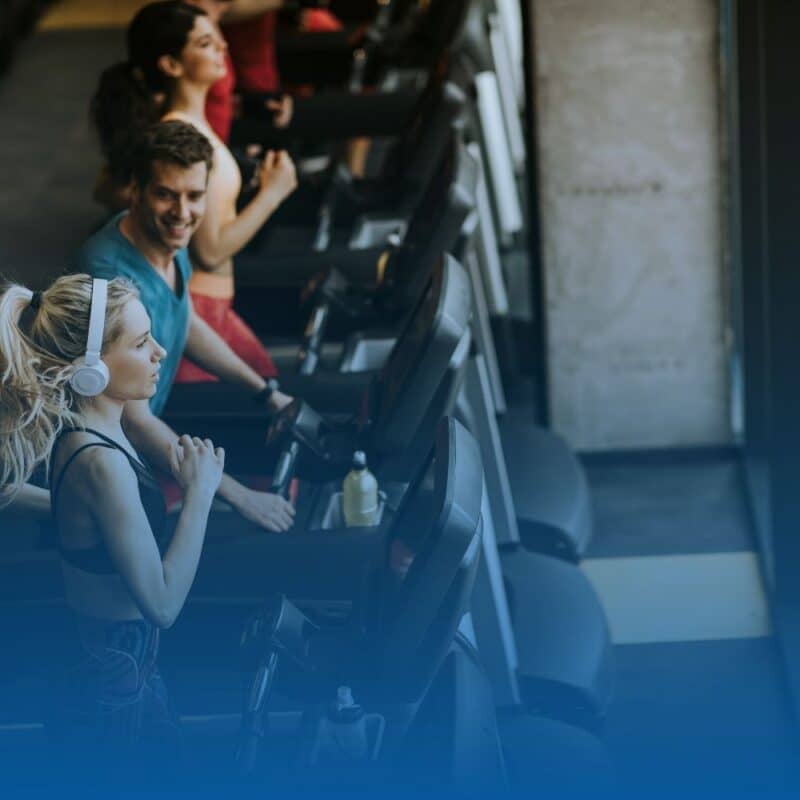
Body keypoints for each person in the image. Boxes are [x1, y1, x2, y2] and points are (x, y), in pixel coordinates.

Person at [0, 273, 223, 770]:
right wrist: (200, 494)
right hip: (115, 705)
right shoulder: (101, 462)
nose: (161, 353)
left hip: (117, 679)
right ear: (91, 370)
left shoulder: (93, 432)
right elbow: (163, 603)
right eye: (142, 343)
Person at [73, 120, 296, 532]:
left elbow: (184, 320)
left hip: (151, 424)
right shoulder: (110, 279)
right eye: (165, 194)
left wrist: (264, 391)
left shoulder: (166, 241)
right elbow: (134, 421)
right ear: (135, 191)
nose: (182, 212)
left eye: (195, 196)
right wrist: (237, 495)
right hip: (114, 462)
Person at [91, 1, 297, 384]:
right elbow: (210, 249)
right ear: (171, 65)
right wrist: (273, 193)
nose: (222, 46)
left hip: (213, 304)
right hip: (201, 304)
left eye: (217, 37)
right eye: (205, 42)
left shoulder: (193, 126)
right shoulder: (182, 134)